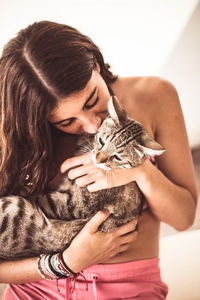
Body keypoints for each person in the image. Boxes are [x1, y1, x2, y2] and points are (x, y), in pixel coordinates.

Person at [0, 20, 197, 300]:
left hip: (127, 290)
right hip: (34, 289)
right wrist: (65, 263)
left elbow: (184, 217)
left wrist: (139, 171)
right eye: (66, 122)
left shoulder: (154, 95)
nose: (91, 126)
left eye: (92, 100)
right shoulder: (16, 133)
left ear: (94, 60)